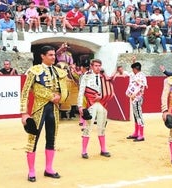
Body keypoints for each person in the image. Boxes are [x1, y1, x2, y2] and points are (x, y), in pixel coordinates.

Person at [20, 45, 68, 182]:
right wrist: (24, 113)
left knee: (51, 139)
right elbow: (24, 92)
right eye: (51, 55)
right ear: (42, 56)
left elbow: (64, 90)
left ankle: (49, 168)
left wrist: (60, 98)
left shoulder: (59, 72)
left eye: (54, 55)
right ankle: (31, 171)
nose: (54, 57)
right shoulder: (34, 71)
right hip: (38, 109)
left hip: (54, 109)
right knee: (32, 139)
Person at [77, 59, 114, 159]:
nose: (98, 67)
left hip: (102, 104)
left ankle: (103, 149)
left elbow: (109, 90)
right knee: (88, 127)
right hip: (91, 104)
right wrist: (80, 106)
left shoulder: (104, 77)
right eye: (96, 66)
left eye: (99, 66)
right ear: (91, 66)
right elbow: (81, 91)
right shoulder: (86, 76)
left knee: (102, 127)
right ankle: (84, 151)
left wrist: (102, 97)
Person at [126, 62, 147, 142]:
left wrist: (133, 94)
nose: (133, 71)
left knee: (138, 115)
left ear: (135, 69)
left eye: (133, 69)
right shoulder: (139, 75)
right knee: (136, 115)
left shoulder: (140, 76)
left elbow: (140, 86)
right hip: (135, 98)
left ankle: (141, 135)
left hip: (137, 98)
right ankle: (136, 133)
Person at [56, 42, 78, 119]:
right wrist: (62, 47)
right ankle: (63, 113)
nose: (65, 48)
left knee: (74, 87)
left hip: (68, 67)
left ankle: (72, 112)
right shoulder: (59, 53)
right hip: (61, 67)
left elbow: (71, 63)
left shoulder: (69, 54)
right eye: (64, 47)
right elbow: (57, 52)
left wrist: (72, 67)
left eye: (66, 47)